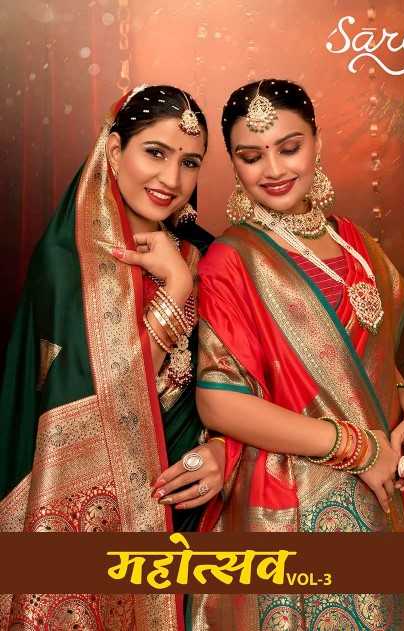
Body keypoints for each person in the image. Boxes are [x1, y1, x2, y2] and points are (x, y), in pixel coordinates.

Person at [192, 79, 404, 630]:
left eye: (289, 147)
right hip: (286, 498)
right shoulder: (231, 259)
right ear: (233, 164)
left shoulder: (357, 243)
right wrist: (357, 448)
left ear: (317, 143)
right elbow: (219, 402)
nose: (273, 169)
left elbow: (371, 365)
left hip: (377, 491)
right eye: (251, 156)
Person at [0, 84, 224, 630]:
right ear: (114, 149)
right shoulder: (65, 263)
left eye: (189, 162)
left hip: (197, 505)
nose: (171, 179)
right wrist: (176, 288)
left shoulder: (209, 255)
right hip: (100, 516)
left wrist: (224, 449)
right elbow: (104, 397)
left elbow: (250, 380)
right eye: (155, 152)